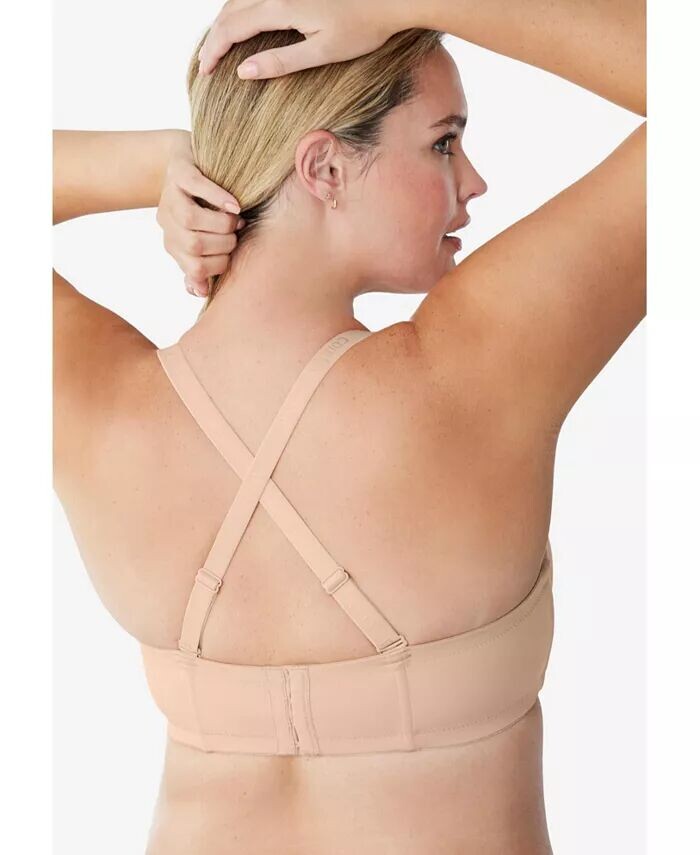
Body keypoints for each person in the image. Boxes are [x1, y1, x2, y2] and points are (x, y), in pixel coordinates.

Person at [52, 0, 645, 852]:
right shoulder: (475, 367)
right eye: (443, 142)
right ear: (325, 167)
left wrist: (156, 167)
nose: (473, 180)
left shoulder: (100, 404)